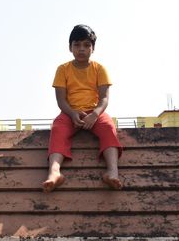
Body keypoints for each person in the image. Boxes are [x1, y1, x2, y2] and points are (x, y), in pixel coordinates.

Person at [42, 24, 123, 193]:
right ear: (70, 47)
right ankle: (55, 172)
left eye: (87, 45)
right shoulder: (63, 69)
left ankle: (112, 172)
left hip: (95, 112)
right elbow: (61, 100)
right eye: (77, 45)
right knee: (57, 129)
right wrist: (72, 113)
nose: (81, 49)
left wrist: (94, 115)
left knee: (109, 127)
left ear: (93, 48)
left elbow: (104, 98)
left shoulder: (99, 69)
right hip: (69, 112)